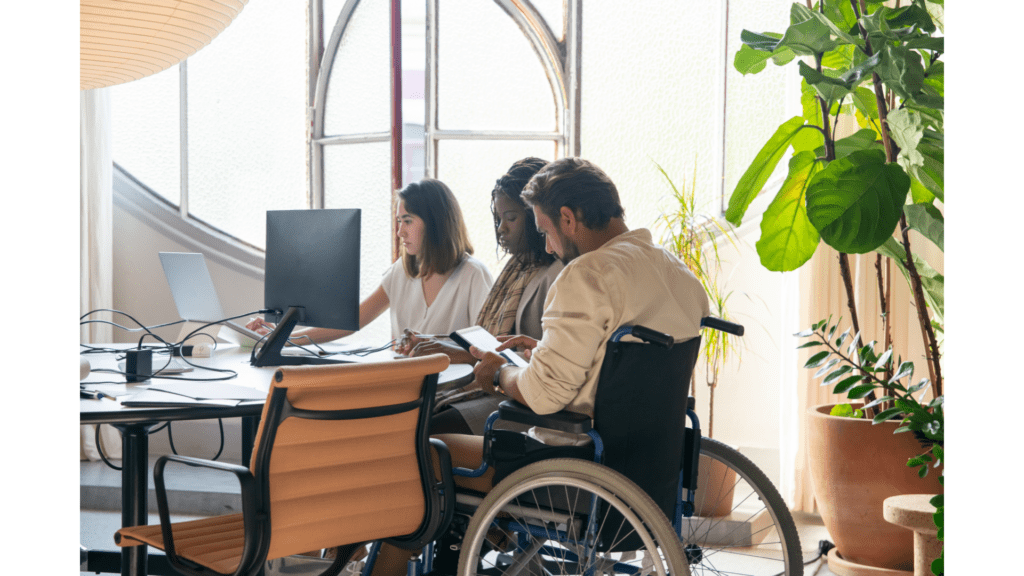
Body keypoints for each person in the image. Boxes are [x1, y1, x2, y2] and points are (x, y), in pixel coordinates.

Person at [395, 157, 564, 435]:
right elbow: (491, 340)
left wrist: (459, 354)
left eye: (511, 218)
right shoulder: (518, 269)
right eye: (498, 219)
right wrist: (436, 343)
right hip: (501, 387)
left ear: (538, 215)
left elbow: (535, 362)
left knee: (423, 429)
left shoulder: (555, 275)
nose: (501, 229)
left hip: (518, 399)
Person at [246, 179, 493, 344]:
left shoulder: (473, 275)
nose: (400, 232)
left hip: (447, 393)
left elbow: (486, 348)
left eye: (407, 221)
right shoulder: (403, 272)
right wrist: (280, 338)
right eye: (399, 222)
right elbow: (351, 322)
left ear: (436, 223)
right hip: (406, 386)